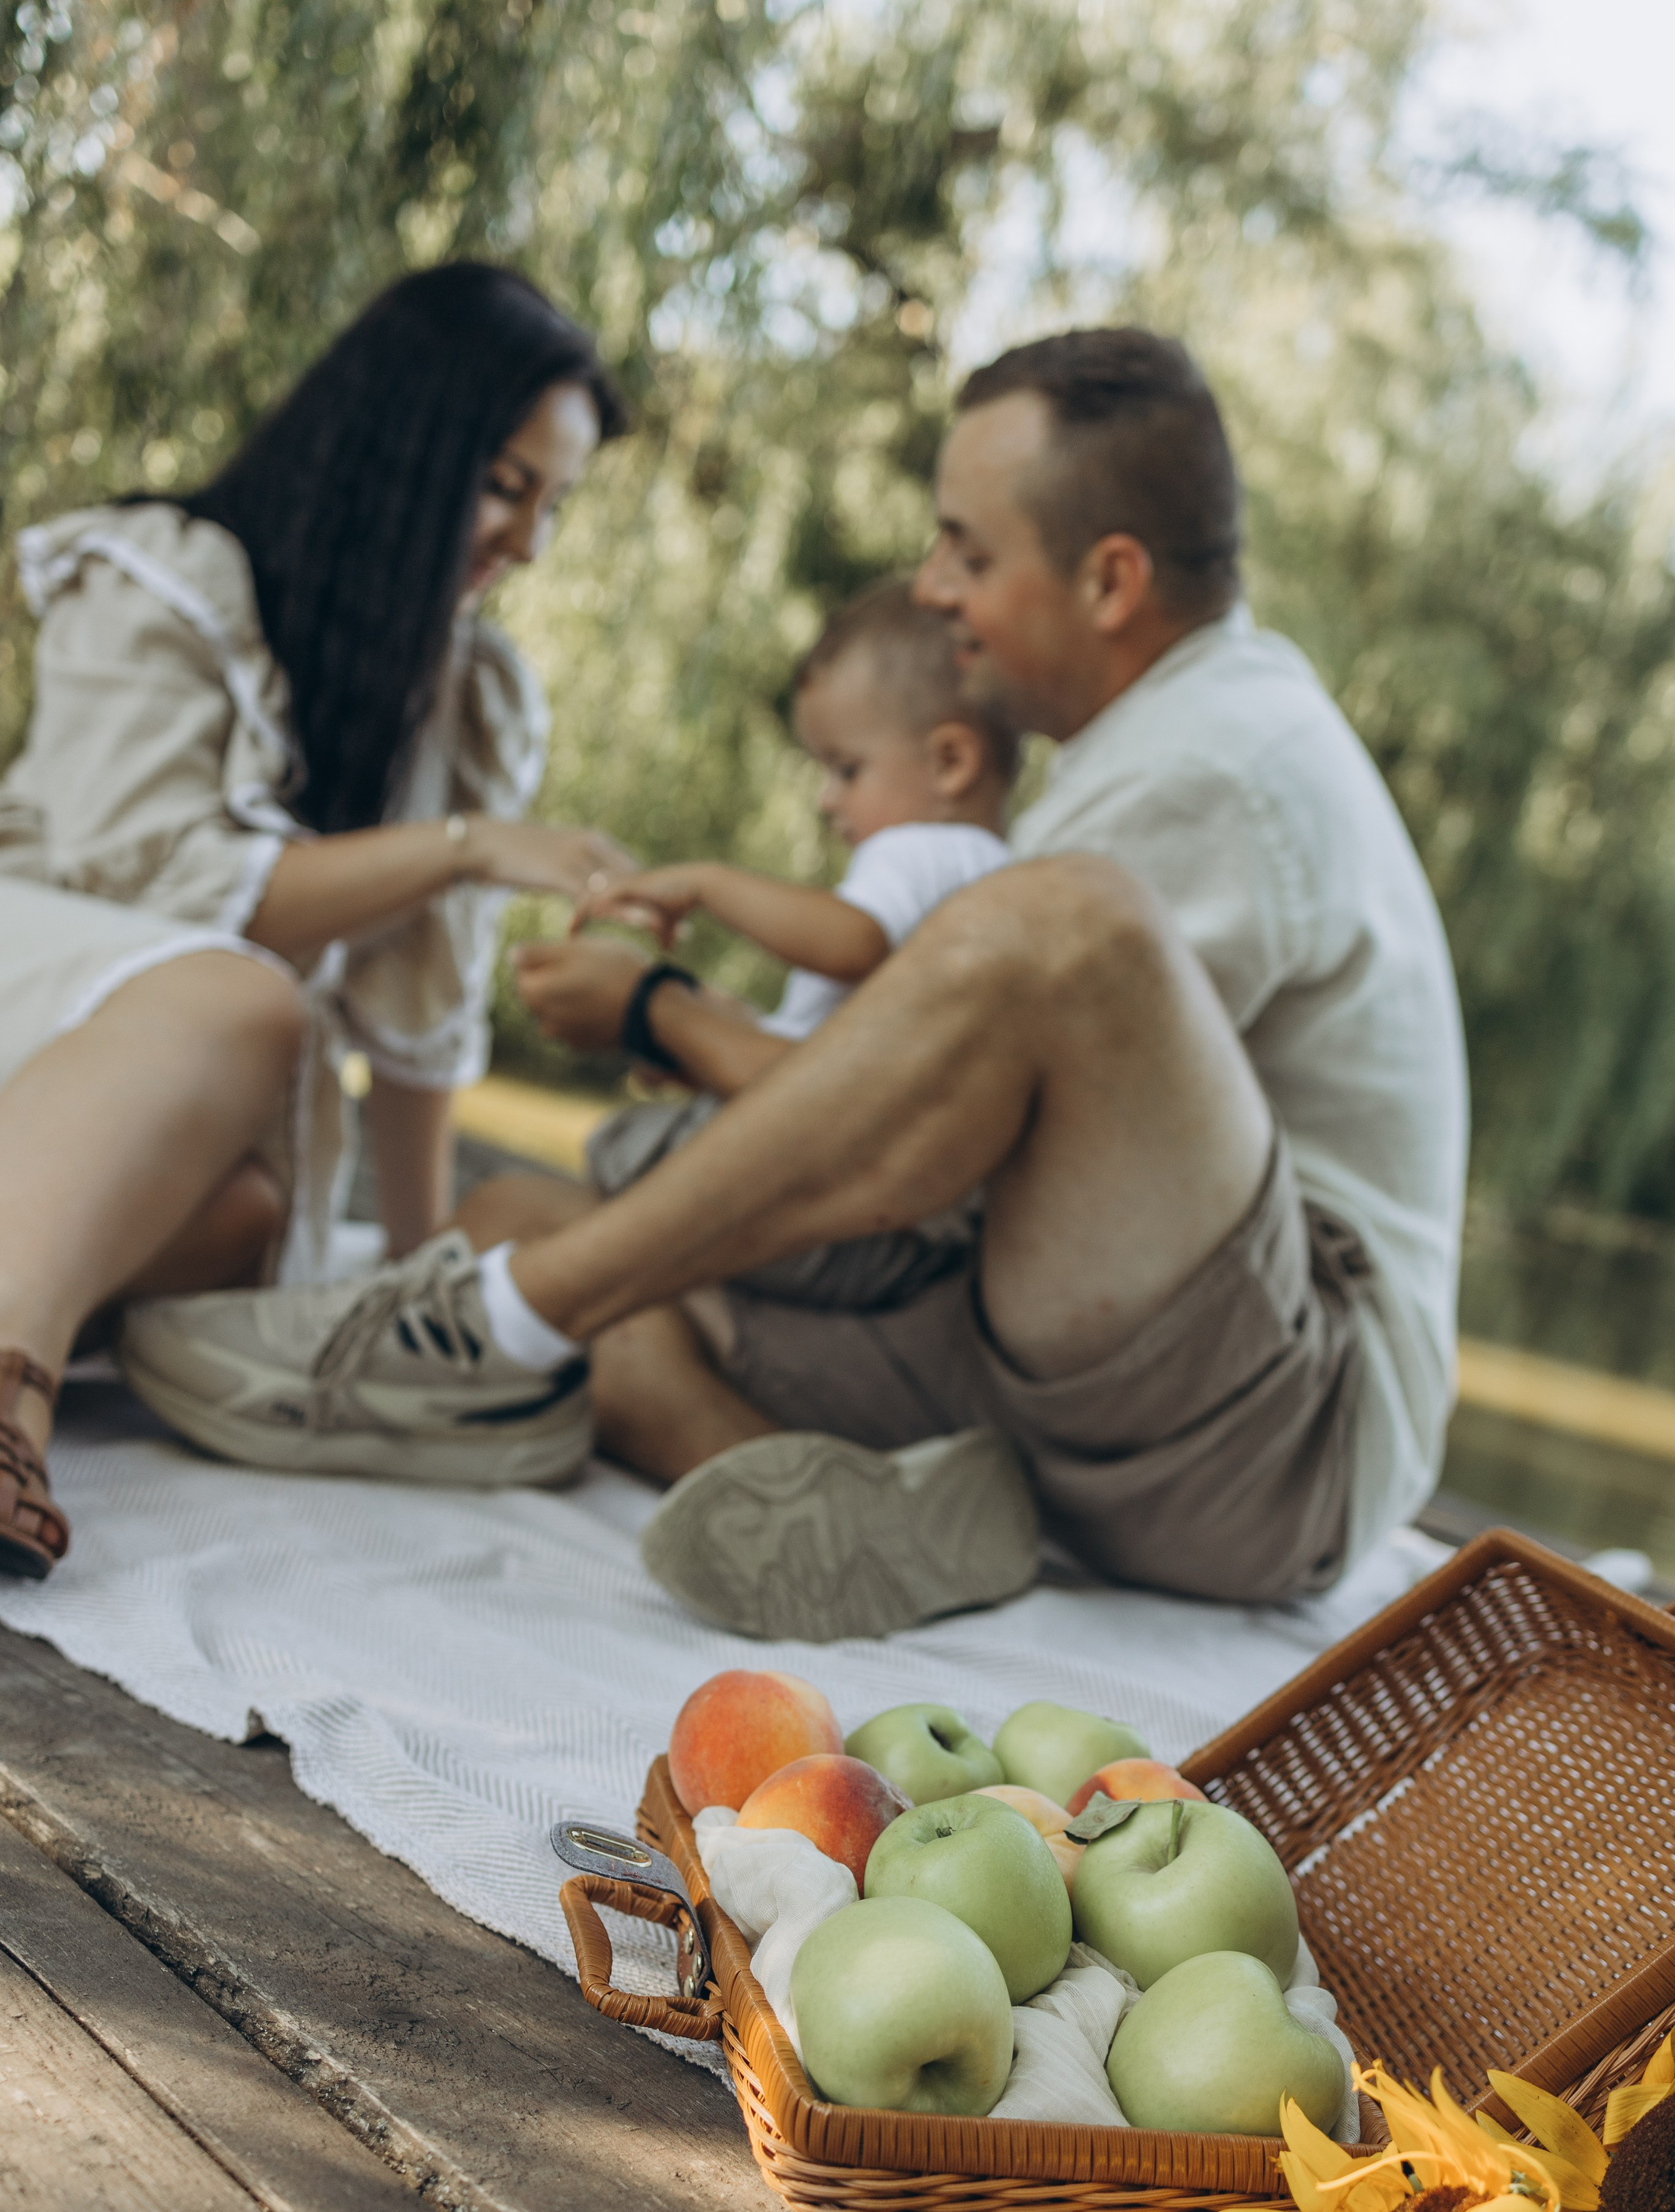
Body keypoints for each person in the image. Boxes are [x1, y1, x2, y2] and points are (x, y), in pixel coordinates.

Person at [118, 327, 1469, 1652]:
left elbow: (924, 1153)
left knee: (1068, 925)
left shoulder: (1218, 760)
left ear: (1111, 580)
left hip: (1281, 1435)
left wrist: (662, 1015)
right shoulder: (1147, 744)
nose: (931, 587)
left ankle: (499, 1326)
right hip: (1101, 1376)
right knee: (511, 1219)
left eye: (968, 551)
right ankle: (835, 1503)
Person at [0, 262, 631, 1581]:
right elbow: (149, 889)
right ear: (405, 447)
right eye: (506, 485)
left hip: (163, 1105)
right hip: (43, 988)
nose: (529, 542)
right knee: (246, 1001)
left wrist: (416, 1279)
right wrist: (461, 850)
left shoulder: (465, 693)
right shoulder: (166, 575)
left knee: (247, 1219)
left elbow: (417, 1018)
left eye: (553, 504)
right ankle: (10, 1395)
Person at [571, 577, 1016, 1317]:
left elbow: (850, 944)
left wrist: (706, 884)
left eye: (847, 769)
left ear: (950, 763)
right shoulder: (1000, 871)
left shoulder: (916, 851)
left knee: (619, 1152)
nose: (824, 800)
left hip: (817, 1206)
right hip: (902, 1236)